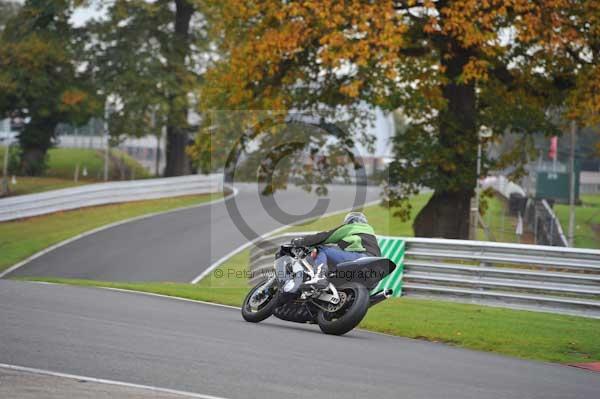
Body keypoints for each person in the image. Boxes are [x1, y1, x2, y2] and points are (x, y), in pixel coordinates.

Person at [291, 212, 381, 289]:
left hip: (360, 257)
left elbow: (324, 237)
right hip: (374, 271)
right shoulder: (372, 235)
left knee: (322, 249)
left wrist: (300, 241)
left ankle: (320, 276)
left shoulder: (351, 226)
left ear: (350, 221)